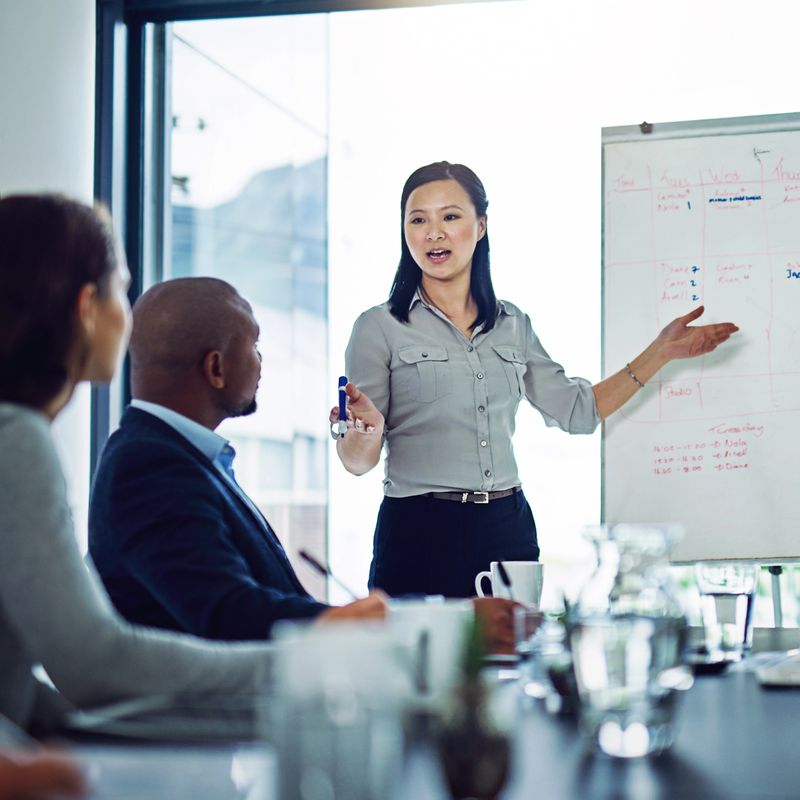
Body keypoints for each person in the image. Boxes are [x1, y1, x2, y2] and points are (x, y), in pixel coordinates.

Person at [0, 194, 384, 735]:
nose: (129, 320)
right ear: (87, 309)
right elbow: (92, 662)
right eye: (121, 290)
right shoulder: (19, 441)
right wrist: (313, 655)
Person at [331, 161, 740, 598]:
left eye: (450, 216)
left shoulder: (513, 325)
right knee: (424, 664)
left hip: (506, 529)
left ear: (481, 225)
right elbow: (358, 460)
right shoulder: (378, 327)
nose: (434, 232)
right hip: (418, 531)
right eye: (418, 220)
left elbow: (577, 412)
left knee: (513, 659)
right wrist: (362, 432)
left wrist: (662, 352)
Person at [89, 277, 384, 640]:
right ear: (216, 368)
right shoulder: (148, 467)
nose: (261, 362)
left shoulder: (178, 456)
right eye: (254, 345)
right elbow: (227, 613)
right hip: (206, 697)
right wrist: (355, 623)